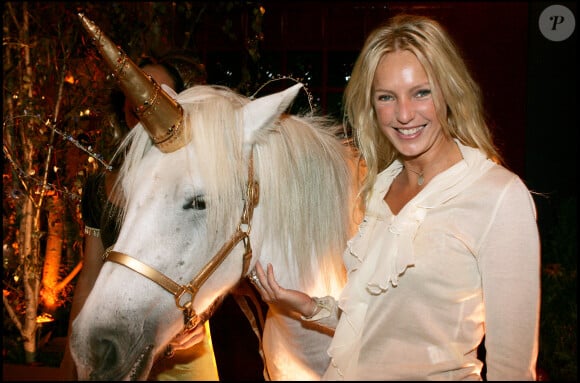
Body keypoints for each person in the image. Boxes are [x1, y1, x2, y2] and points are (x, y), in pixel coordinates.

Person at [252, 13, 541, 380]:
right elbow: (374, 320)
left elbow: (513, 370)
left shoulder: (498, 197)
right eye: (387, 97)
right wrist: (307, 306)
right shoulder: (376, 188)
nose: (404, 115)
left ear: (449, 92)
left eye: (421, 92)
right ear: (371, 106)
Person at [60, 51, 221, 381]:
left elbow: (218, 262)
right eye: (136, 89)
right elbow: (89, 278)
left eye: (159, 92)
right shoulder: (100, 187)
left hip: (183, 354)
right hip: (114, 351)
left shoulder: (199, 184)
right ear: (124, 107)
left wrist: (202, 315)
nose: (147, 99)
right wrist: (70, 359)